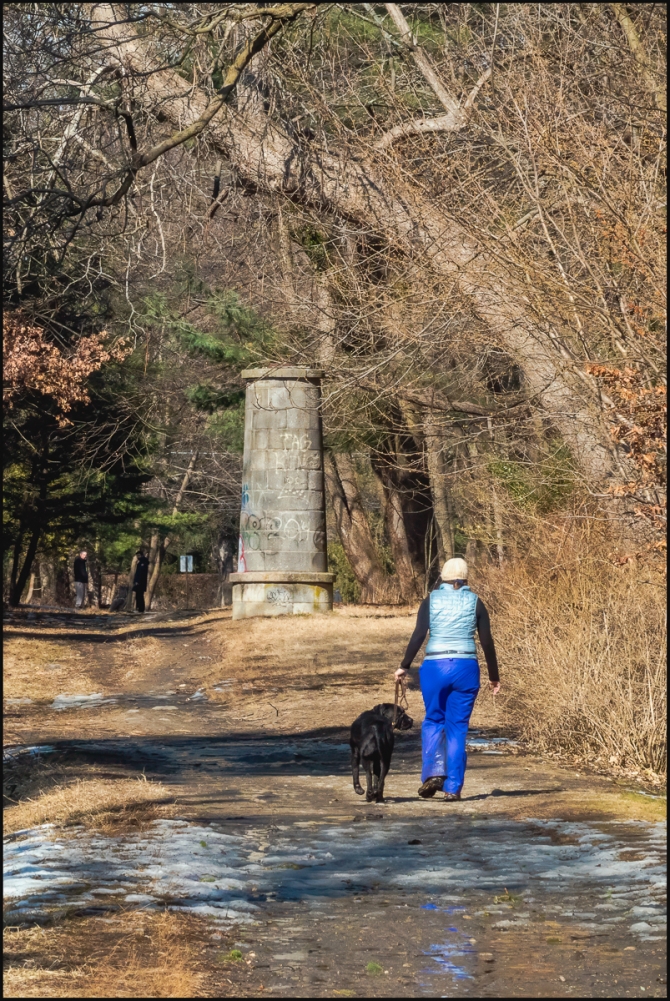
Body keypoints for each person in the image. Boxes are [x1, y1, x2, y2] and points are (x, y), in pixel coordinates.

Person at [395, 557, 501, 803]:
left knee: (434, 720)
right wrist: (494, 676)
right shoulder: (476, 602)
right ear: (465, 577)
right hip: (466, 668)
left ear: (443, 576)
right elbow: (487, 642)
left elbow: (419, 634)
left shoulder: (430, 600)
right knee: (457, 728)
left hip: (435, 667)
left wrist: (404, 666)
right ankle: (453, 788)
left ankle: (434, 773)